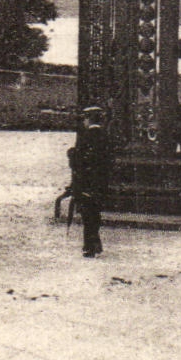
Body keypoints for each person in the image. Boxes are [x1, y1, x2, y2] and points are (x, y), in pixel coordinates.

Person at [69, 106, 113, 258]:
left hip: (86, 181)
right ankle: (94, 242)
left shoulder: (86, 136)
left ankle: (90, 245)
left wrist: (71, 155)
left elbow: (79, 161)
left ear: (88, 119)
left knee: (87, 214)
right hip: (100, 181)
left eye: (85, 119)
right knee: (95, 212)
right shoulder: (105, 136)